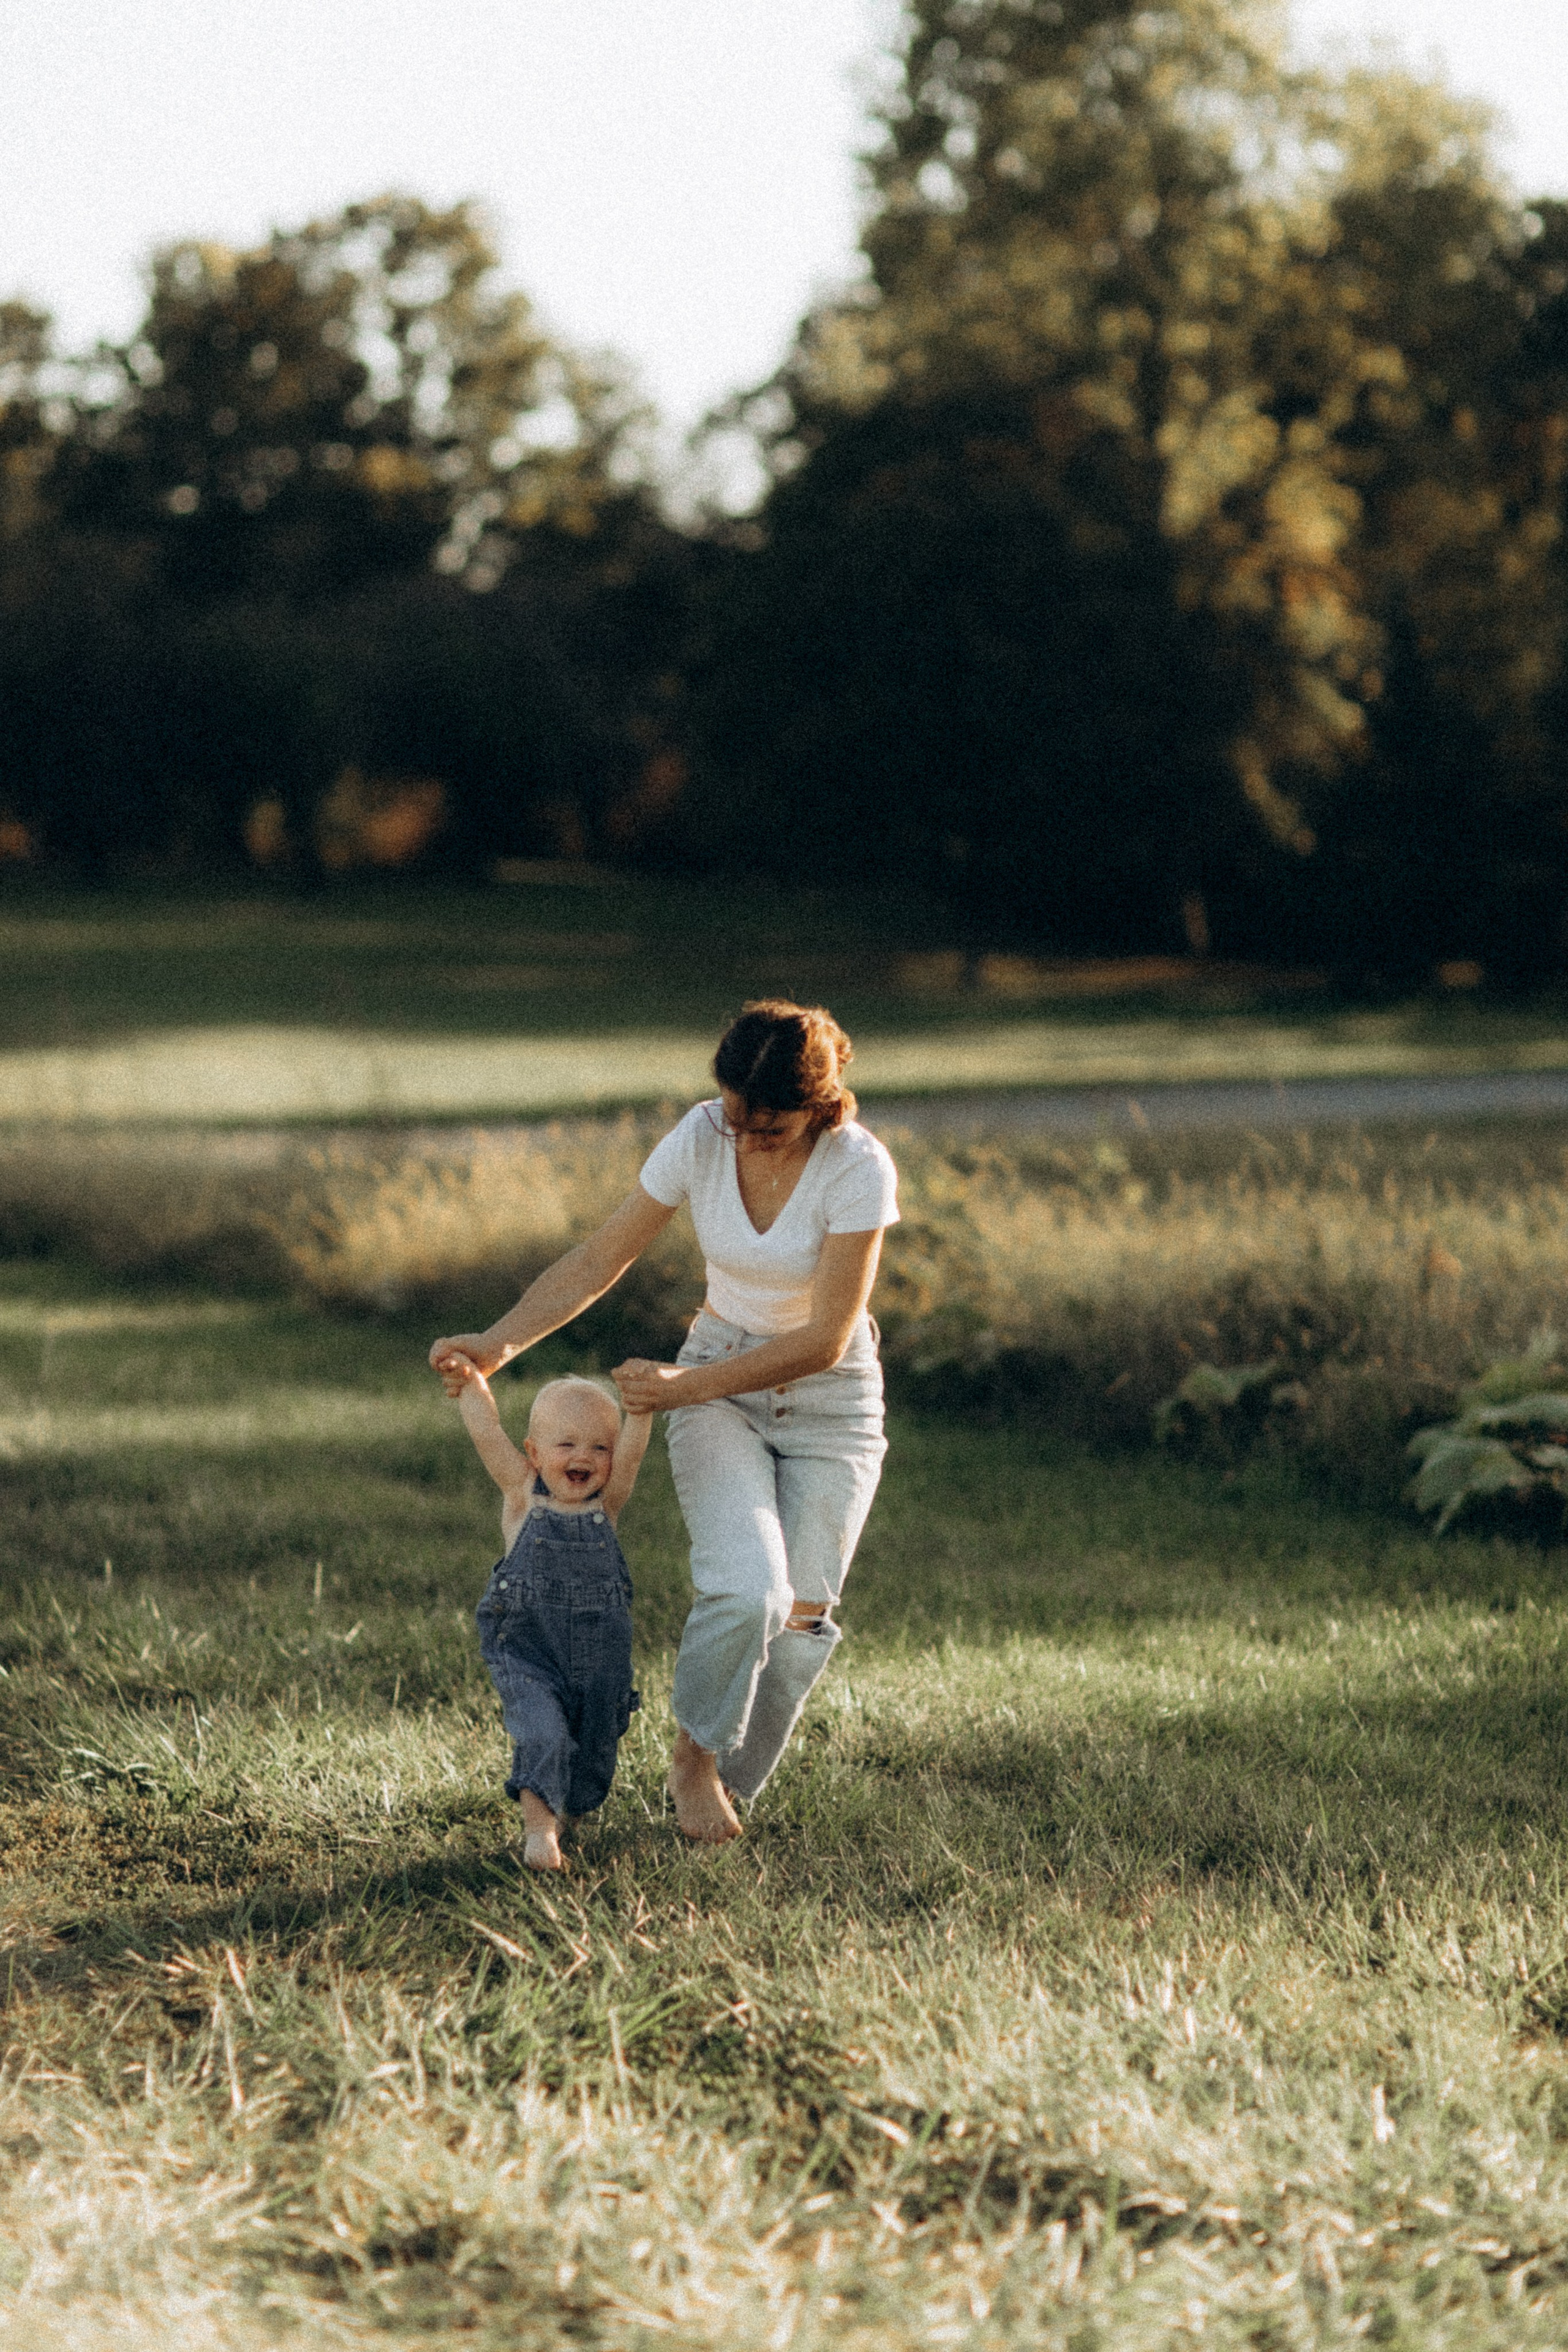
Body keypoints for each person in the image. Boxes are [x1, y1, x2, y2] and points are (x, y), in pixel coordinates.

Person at [431, 1000, 899, 1845]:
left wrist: (684, 1387)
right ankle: (695, 1759)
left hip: (829, 1400)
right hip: (717, 1379)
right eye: (735, 1111)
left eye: (772, 1124)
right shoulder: (702, 1135)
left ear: (819, 1106)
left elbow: (826, 1340)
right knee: (744, 1589)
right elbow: (599, 1258)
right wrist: (498, 1343)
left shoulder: (857, 1167)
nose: (747, 1134)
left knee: (802, 1614)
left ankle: (722, 1756)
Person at [451, 1366, 650, 1869]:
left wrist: (643, 1409)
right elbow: (486, 1435)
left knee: (595, 1744)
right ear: (535, 1454)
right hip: (530, 1650)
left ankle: (571, 1816)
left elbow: (633, 1454)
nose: (583, 1457)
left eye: (599, 1448)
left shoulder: (609, 1506)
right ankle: (539, 1832)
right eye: (566, 1445)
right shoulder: (523, 1496)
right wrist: (471, 1386)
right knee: (542, 1733)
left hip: (601, 1660)